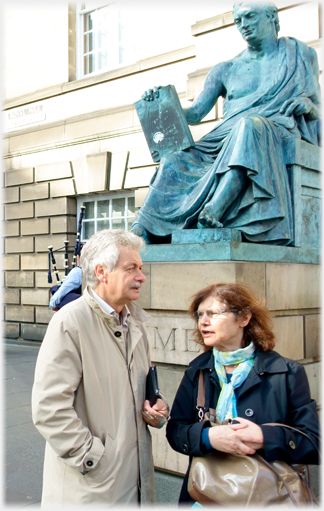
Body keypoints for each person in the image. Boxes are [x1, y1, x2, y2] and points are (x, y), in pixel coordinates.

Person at [132, 1, 321, 245]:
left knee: (250, 126)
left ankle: (215, 210)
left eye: (250, 17)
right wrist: (161, 102)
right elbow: (195, 114)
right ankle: (146, 226)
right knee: (174, 159)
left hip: (272, 131)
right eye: (238, 21)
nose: (244, 25)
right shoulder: (226, 69)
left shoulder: (300, 55)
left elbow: (317, 110)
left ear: (272, 15)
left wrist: (310, 106)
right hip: (223, 139)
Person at [32, 229, 169, 507]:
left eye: (141, 268)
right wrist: (92, 458)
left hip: (133, 482)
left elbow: (135, 391)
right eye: (132, 268)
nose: (142, 277)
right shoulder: (71, 322)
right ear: (102, 272)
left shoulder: (134, 322)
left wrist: (155, 409)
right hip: (91, 488)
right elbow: (49, 409)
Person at [165, 283, 320, 505]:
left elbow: (313, 444)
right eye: (200, 315)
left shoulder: (287, 372)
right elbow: (175, 431)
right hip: (205, 497)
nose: (203, 322)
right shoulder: (196, 372)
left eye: (213, 314)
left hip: (268, 498)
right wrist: (208, 437)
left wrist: (264, 437)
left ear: (244, 318)